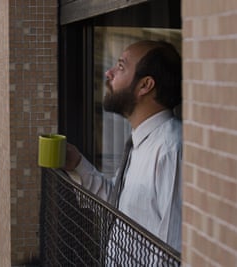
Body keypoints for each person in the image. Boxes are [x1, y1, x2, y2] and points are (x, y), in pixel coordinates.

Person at [64, 40, 182, 253]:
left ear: (145, 85)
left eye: (120, 66)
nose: (108, 73)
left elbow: (172, 250)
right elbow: (118, 206)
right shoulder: (141, 142)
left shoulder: (171, 148)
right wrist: (77, 163)